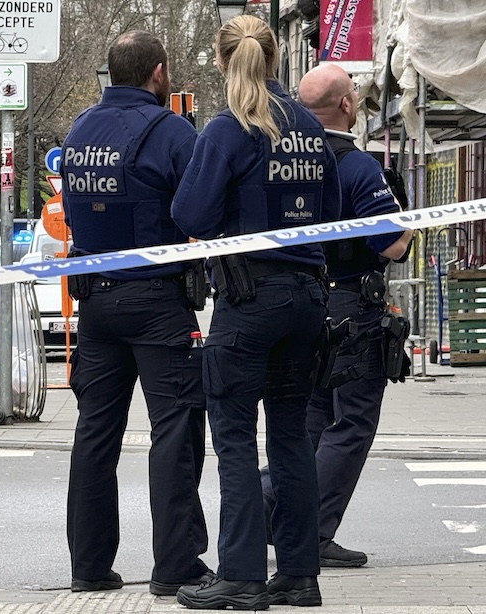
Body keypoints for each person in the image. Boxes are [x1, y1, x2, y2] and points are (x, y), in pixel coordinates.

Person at [170, 15, 342, 610]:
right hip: (307, 298)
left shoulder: (227, 129)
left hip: (248, 302)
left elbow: (189, 216)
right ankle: (298, 573)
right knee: (291, 436)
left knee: (236, 440)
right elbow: (337, 211)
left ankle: (241, 573)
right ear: (275, 60)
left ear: (221, 63)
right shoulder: (308, 126)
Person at [60, 30, 212, 597]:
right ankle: (176, 565)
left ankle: (89, 566)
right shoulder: (172, 131)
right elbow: (201, 206)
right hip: (156, 301)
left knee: (95, 434)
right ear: (158, 72)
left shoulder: (78, 132)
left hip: (95, 302)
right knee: (174, 430)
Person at [260, 63, 413, 569]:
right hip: (352, 303)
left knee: (312, 419)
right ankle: (310, 530)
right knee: (351, 422)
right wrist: (409, 224)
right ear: (347, 105)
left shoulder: (287, 162)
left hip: (301, 301)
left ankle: (268, 506)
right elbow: (391, 244)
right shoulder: (357, 166)